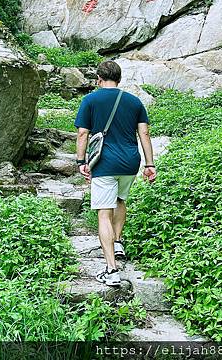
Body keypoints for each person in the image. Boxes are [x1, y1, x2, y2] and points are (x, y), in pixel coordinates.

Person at [74, 60, 156, 287]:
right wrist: (150, 164)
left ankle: (111, 269)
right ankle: (118, 241)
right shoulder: (134, 101)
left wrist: (81, 161)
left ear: (99, 79)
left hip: (105, 163)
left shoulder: (90, 100)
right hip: (130, 162)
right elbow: (145, 134)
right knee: (120, 200)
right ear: (119, 79)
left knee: (103, 213)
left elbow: (83, 134)